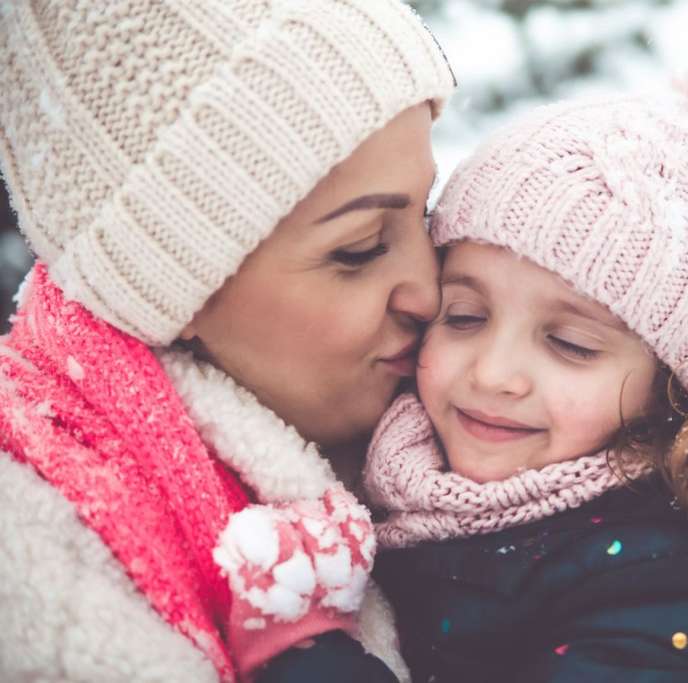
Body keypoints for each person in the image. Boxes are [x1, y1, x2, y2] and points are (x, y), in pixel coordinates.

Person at [361, 60, 688, 682]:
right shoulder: (385, 473)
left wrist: (309, 660)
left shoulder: (679, 593)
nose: (495, 373)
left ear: (669, 389)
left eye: (569, 344)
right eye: (464, 315)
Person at [0, 1, 455, 681]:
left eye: (424, 212)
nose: (429, 289)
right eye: (359, 250)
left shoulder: (474, 425)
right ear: (172, 282)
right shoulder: (34, 552)